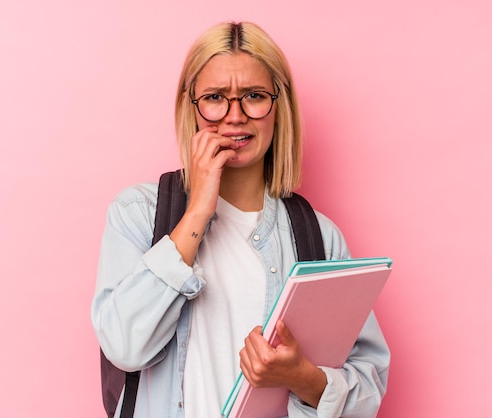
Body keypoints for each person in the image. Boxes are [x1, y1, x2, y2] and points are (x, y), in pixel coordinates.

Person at [91, 21, 390, 418]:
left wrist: (302, 376)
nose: (235, 116)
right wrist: (198, 210)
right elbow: (125, 347)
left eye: (253, 96)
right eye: (215, 97)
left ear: (277, 107)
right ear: (191, 107)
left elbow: (368, 385)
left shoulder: (319, 238)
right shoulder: (138, 214)